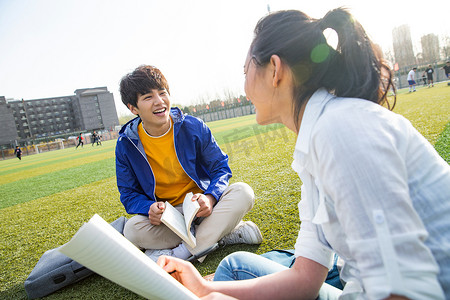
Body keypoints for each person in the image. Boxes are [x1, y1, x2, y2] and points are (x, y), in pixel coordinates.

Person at [157, 8, 450, 299]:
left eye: (246, 72)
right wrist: (204, 288)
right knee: (232, 270)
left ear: (275, 70)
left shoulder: (340, 130)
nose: (244, 87)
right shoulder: (317, 139)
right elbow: (305, 277)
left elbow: (403, 292)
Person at [116, 65, 262, 263]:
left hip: (202, 206)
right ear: (133, 108)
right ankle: (222, 234)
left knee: (243, 192)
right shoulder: (126, 144)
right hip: (169, 217)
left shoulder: (193, 127)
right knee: (132, 229)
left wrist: (210, 197)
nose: (159, 102)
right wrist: (149, 207)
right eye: (148, 97)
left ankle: (182, 252)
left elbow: (220, 167)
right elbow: (128, 194)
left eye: (162, 93)